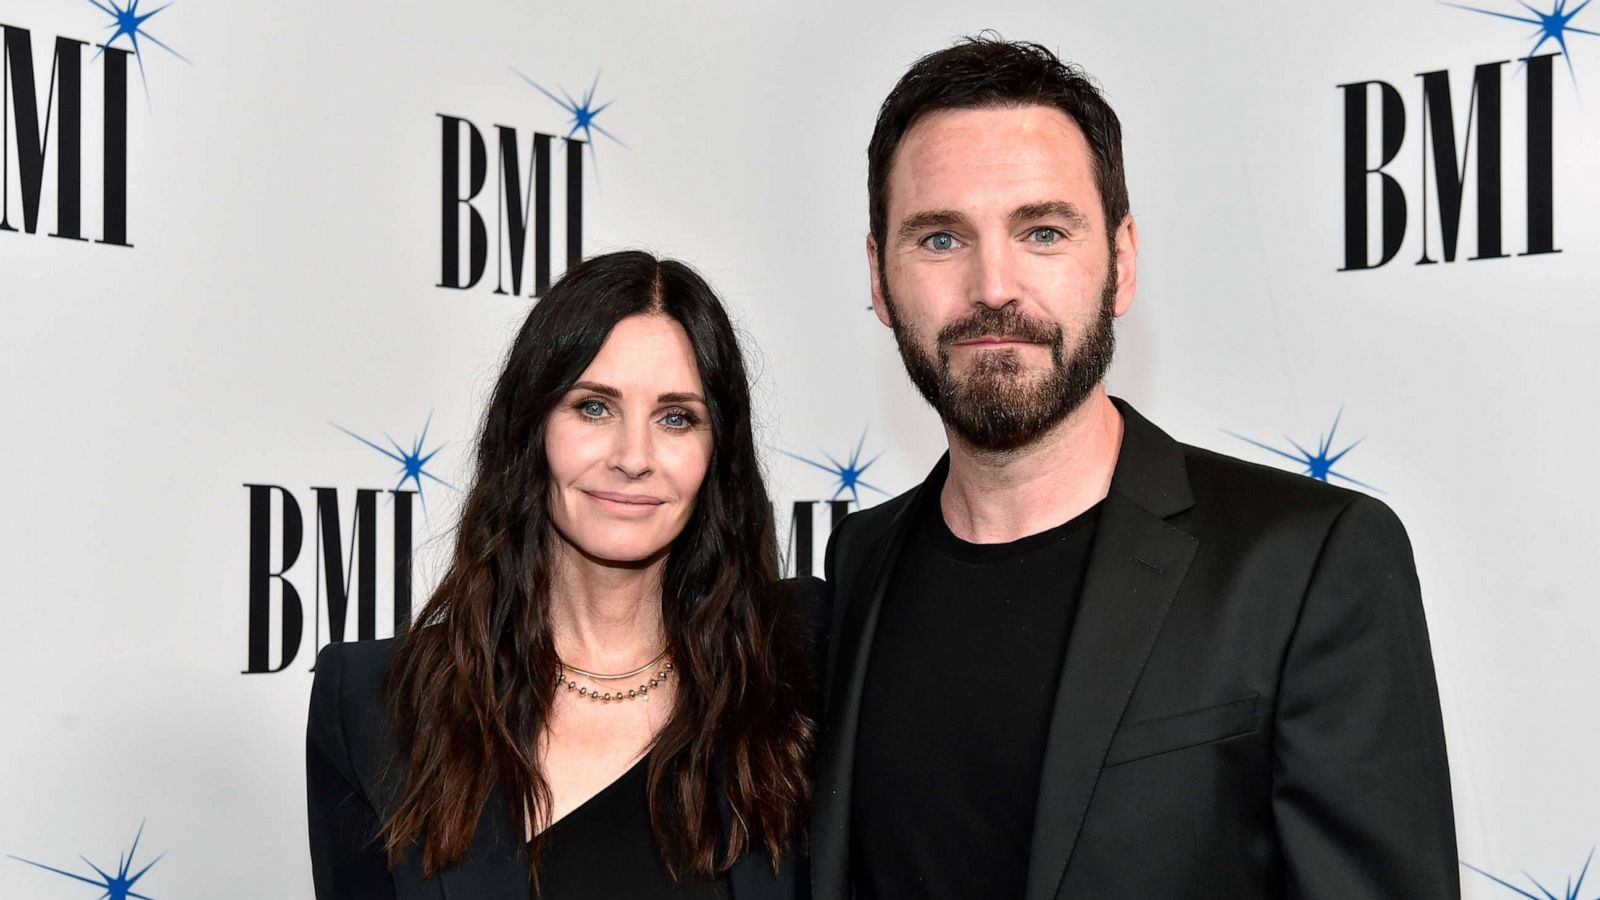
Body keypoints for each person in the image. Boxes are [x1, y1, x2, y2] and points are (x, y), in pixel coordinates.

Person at [810, 37, 1459, 900]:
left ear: (1121, 263)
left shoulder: (1307, 564)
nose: (993, 285)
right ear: (881, 280)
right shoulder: (859, 561)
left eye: (1042, 231)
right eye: (939, 238)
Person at [307, 250, 826, 899]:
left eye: (676, 417)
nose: (634, 458)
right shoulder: (373, 706)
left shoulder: (800, 669)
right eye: (593, 407)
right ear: (533, 428)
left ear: (716, 453)